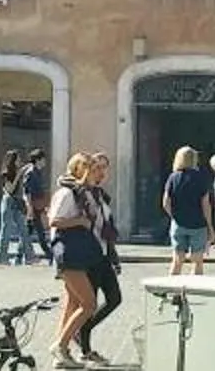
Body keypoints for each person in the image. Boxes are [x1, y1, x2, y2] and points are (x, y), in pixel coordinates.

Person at [47, 153, 106, 367]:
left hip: (78, 254)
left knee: (72, 303)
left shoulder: (82, 193)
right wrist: (79, 220)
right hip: (69, 254)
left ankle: (61, 352)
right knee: (89, 304)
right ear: (79, 170)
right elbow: (54, 221)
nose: (94, 171)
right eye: (89, 167)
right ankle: (60, 346)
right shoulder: (66, 193)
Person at [78, 153, 125, 360]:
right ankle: (85, 349)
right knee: (89, 304)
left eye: (105, 168)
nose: (102, 172)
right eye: (97, 167)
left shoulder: (101, 195)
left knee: (115, 298)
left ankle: (82, 331)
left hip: (104, 255)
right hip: (89, 255)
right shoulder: (82, 194)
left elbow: (107, 229)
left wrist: (114, 257)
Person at [163, 146, 215, 274]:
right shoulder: (200, 178)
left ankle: (173, 290)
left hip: (179, 223)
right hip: (198, 224)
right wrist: (210, 226)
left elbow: (165, 203)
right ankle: (193, 288)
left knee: (177, 260)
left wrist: (174, 216)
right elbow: (206, 205)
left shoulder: (173, 177)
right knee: (197, 261)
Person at [0, 152, 34, 265]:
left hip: (17, 202)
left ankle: (30, 256)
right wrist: (18, 175)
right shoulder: (6, 174)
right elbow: (10, 190)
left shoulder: (18, 172)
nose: (19, 161)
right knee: (6, 231)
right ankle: (1, 258)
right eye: (18, 159)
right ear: (12, 161)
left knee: (24, 229)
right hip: (8, 202)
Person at [21, 149, 53, 261]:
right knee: (39, 233)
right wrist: (29, 208)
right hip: (33, 207)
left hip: (38, 206)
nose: (45, 161)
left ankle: (19, 256)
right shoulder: (30, 173)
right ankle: (50, 255)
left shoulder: (38, 172)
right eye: (43, 159)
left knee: (28, 232)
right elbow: (27, 192)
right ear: (37, 160)